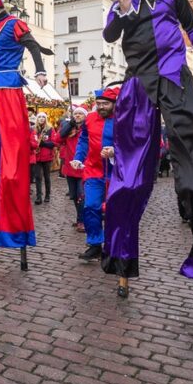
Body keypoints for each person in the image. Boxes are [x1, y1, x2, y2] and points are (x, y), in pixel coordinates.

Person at [93, 0, 193, 316]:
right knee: (129, 180)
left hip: (175, 81)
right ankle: (120, 259)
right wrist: (118, 12)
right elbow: (109, 35)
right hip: (137, 88)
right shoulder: (127, 3)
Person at [0, 0, 52, 255]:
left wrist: (40, 70)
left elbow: (32, 45)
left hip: (7, 87)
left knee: (11, 144)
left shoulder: (14, 23)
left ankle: (14, 227)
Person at [70, 86, 118, 263]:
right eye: (98, 104)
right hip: (93, 170)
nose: (101, 107)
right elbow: (83, 140)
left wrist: (115, 151)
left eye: (105, 104)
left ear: (114, 104)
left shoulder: (123, 119)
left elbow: (132, 143)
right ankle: (95, 244)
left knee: (115, 211)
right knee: (90, 206)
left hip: (116, 173)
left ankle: (113, 246)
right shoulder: (90, 118)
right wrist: (78, 157)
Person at [58, 106, 87, 231]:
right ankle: (80, 218)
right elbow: (57, 139)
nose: (78, 115)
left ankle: (83, 221)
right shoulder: (69, 129)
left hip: (83, 168)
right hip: (71, 168)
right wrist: (69, 125)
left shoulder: (87, 129)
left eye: (81, 113)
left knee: (82, 195)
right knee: (74, 196)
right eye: (76, 114)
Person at [33, 112, 57, 205]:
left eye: (43, 117)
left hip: (47, 157)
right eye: (40, 117)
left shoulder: (50, 129)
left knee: (47, 177)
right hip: (36, 156)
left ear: (46, 119)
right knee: (38, 177)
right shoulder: (34, 129)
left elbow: (54, 143)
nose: (42, 118)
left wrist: (44, 144)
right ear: (37, 119)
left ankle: (47, 195)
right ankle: (39, 196)